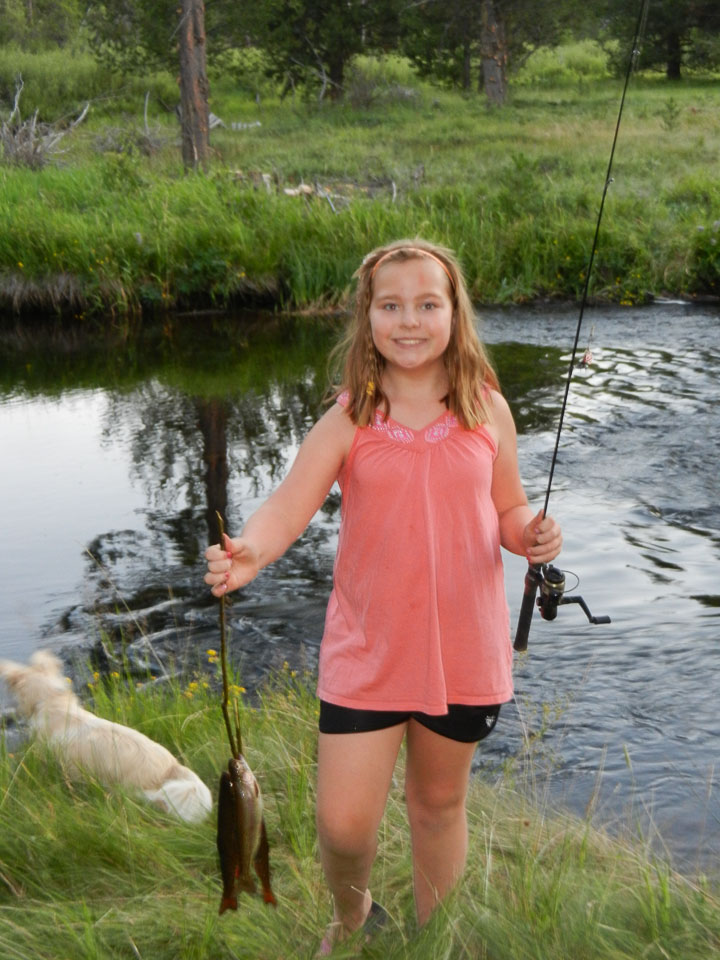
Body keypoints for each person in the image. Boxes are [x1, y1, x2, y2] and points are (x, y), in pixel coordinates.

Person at [204, 238, 562, 952]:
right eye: (390, 305)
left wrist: (533, 535)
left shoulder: (487, 409)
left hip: (463, 647)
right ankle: (353, 912)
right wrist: (249, 553)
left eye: (428, 304)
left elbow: (510, 509)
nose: (409, 321)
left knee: (438, 805)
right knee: (342, 826)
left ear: (454, 313)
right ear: (366, 317)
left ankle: (438, 937)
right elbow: (285, 508)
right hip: (367, 651)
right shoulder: (348, 419)